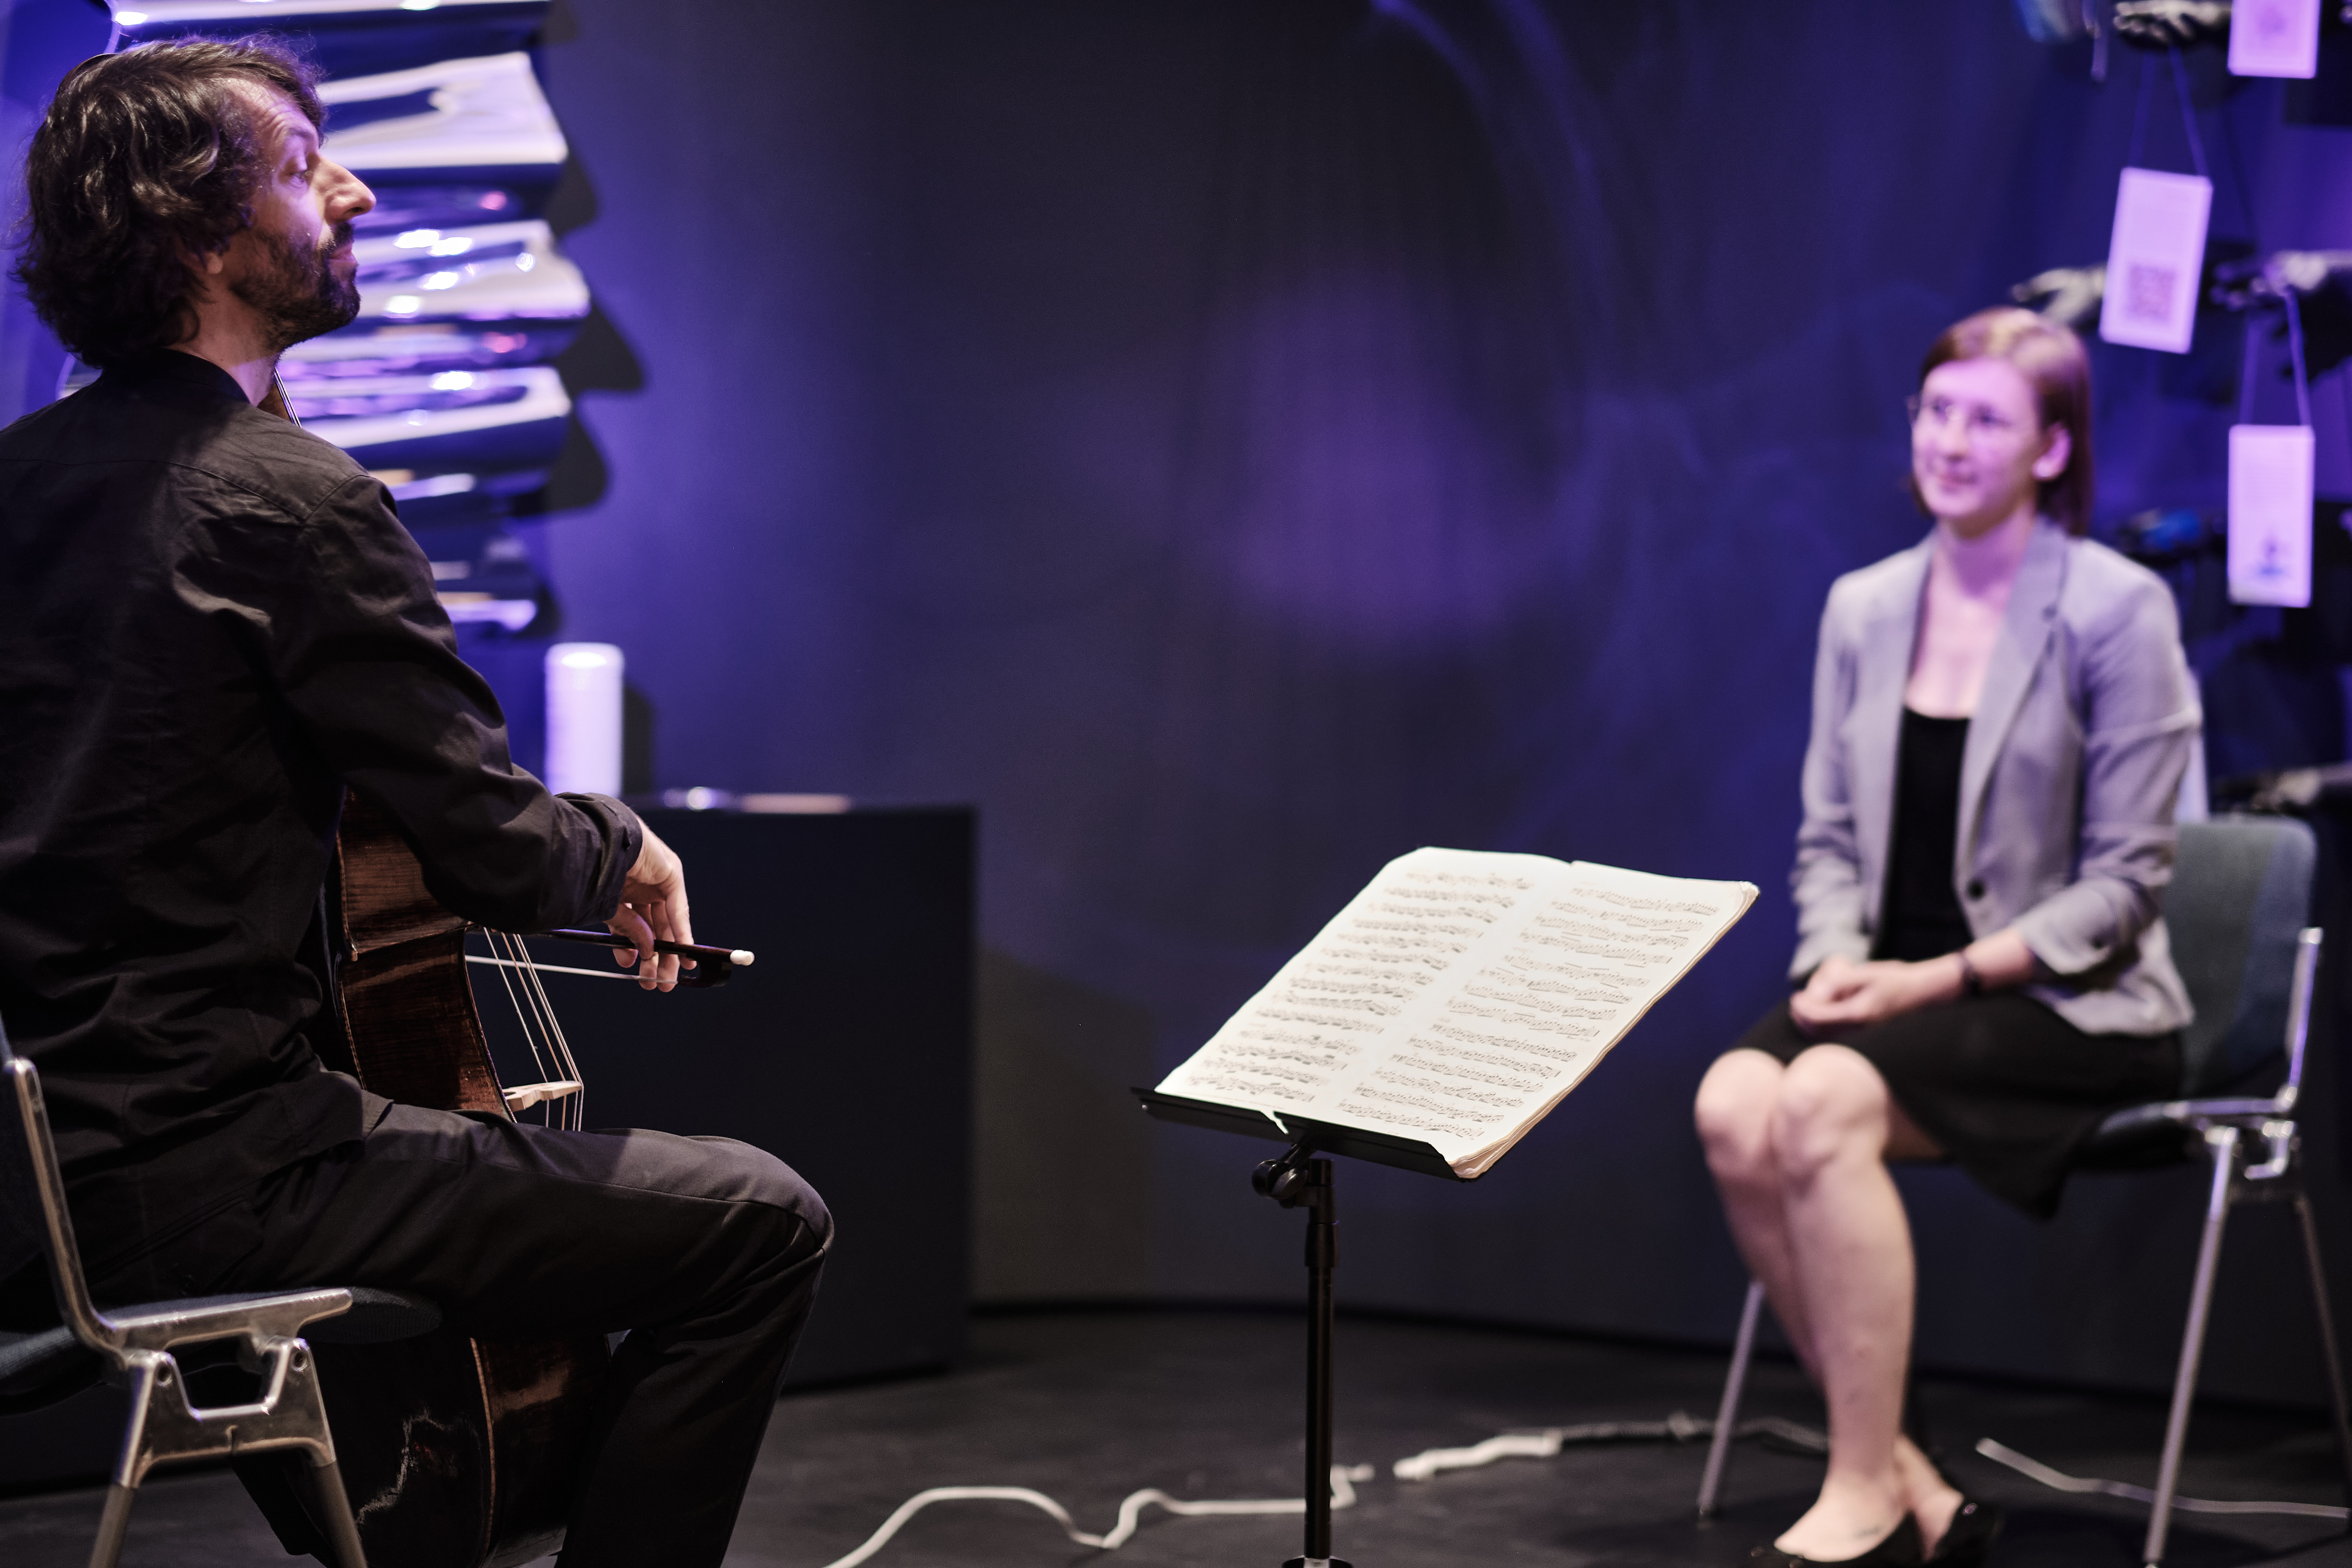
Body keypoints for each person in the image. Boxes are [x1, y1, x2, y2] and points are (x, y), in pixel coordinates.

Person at [0, 38, 830, 1567]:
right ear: (200, 233)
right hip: (234, 1179)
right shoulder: (298, 506)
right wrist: (623, 842)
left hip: (38, 1192)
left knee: (423, 1498)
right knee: (763, 1219)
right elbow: (498, 850)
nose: (355, 189)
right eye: (307, 163)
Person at [1693, 307, 2197, 1567]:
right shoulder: (1863, 608)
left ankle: (1861, 1486)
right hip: (1890, 986)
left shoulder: (2116, 610)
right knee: (1732, 1102)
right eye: (1937, 411)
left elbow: (2127, 885)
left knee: (1816, 1106)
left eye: (1988, 420)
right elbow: (1825, 844)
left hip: (2063, 1001)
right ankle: (1910, 1475)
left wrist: (1939, 977)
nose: (1952, 442)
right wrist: (1830, 962)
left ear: (2049, 450)